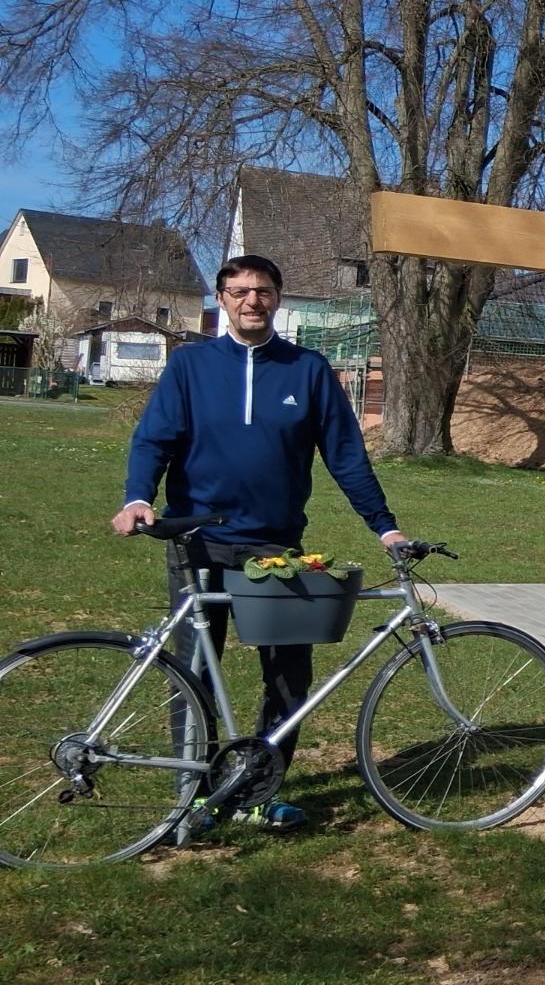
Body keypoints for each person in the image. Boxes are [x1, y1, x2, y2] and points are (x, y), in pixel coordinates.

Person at [111, 253, 410, 831]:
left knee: (288, 673)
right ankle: (189, 800)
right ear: (222, 299)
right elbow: (154, 440)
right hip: (199, 542)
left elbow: (347, 456)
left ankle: (251, 792)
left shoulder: (309, 370)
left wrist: (384, 524)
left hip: (274, 549)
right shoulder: (191, 366)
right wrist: (136, 496)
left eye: (264, 291)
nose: (253, 300)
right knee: (195, 671)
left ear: (278, 298)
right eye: (240, 291)